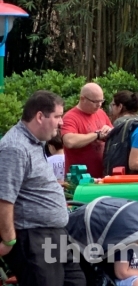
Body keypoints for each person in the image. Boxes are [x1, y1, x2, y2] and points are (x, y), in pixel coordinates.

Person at [0, 90, 86, 286]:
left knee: (77, 281)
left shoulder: (35, 143)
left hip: (54, 233)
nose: (61, 122)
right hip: (33, 237)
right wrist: (9, 240)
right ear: (40, 116)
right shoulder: (15, 148)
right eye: (57, 116)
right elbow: (4, 198)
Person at [61, 82, 113, 178]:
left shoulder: (101, 113)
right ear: (82, 99)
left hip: (102, 176)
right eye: (95, 102)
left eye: (101, 101)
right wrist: (96, 135)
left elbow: (113, 133)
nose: (99, 105)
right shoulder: (70, 117)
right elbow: (69, 141)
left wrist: (109, 131)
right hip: (80, 178)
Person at [105, 90, 138, 176]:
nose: (111, 109)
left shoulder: (119, 123)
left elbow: (133, 163)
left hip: (126, 174)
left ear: (120, 106)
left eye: (113, 105)